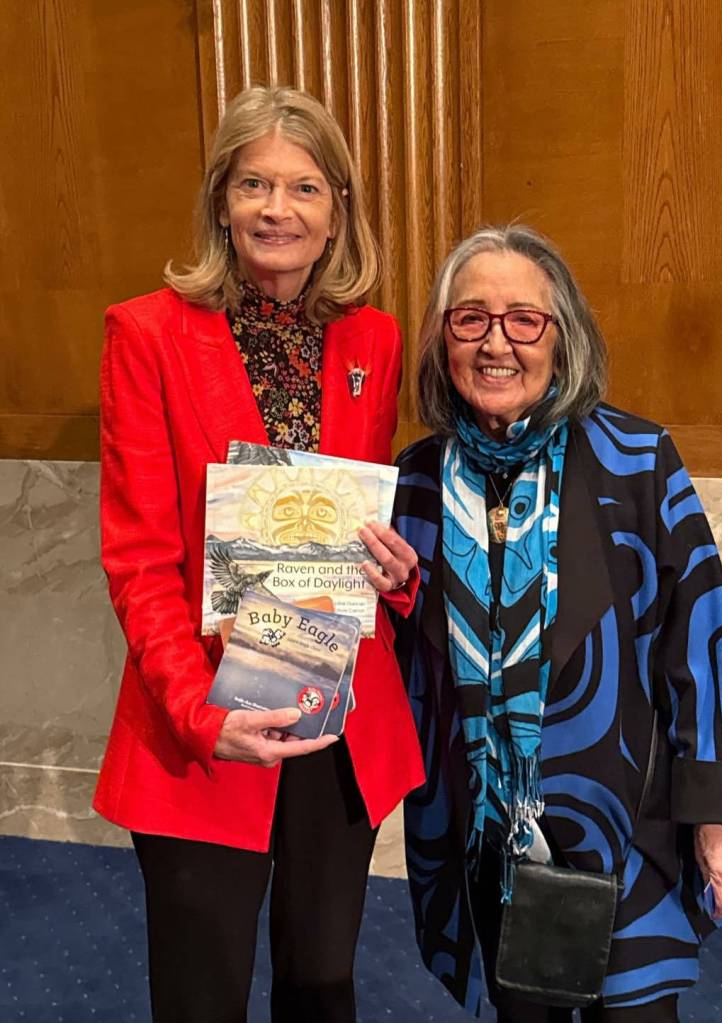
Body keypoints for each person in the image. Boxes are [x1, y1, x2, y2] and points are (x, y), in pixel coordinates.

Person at [93, 86, 423, 1023]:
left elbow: (365, 526)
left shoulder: (373, 338)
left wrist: (394, 580)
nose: (278, 208)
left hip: (335, 706)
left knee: (323, 986)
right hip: (203, 714)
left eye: (305, 188)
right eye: (255, 184)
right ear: (221, 202)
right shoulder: (146, 335)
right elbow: (140, 559)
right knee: (202, 996)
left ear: (336, 214)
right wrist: (202, 714)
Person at [391, 224, 722, 1022]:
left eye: (523, 319)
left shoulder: (635, 458)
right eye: (470, 318)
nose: (497, 342)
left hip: (625, 822)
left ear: (562, 339)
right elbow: (399, 664)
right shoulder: (413, 482)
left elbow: (701, 639)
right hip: (487, 840)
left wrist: (719, 818)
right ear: (442, 339)